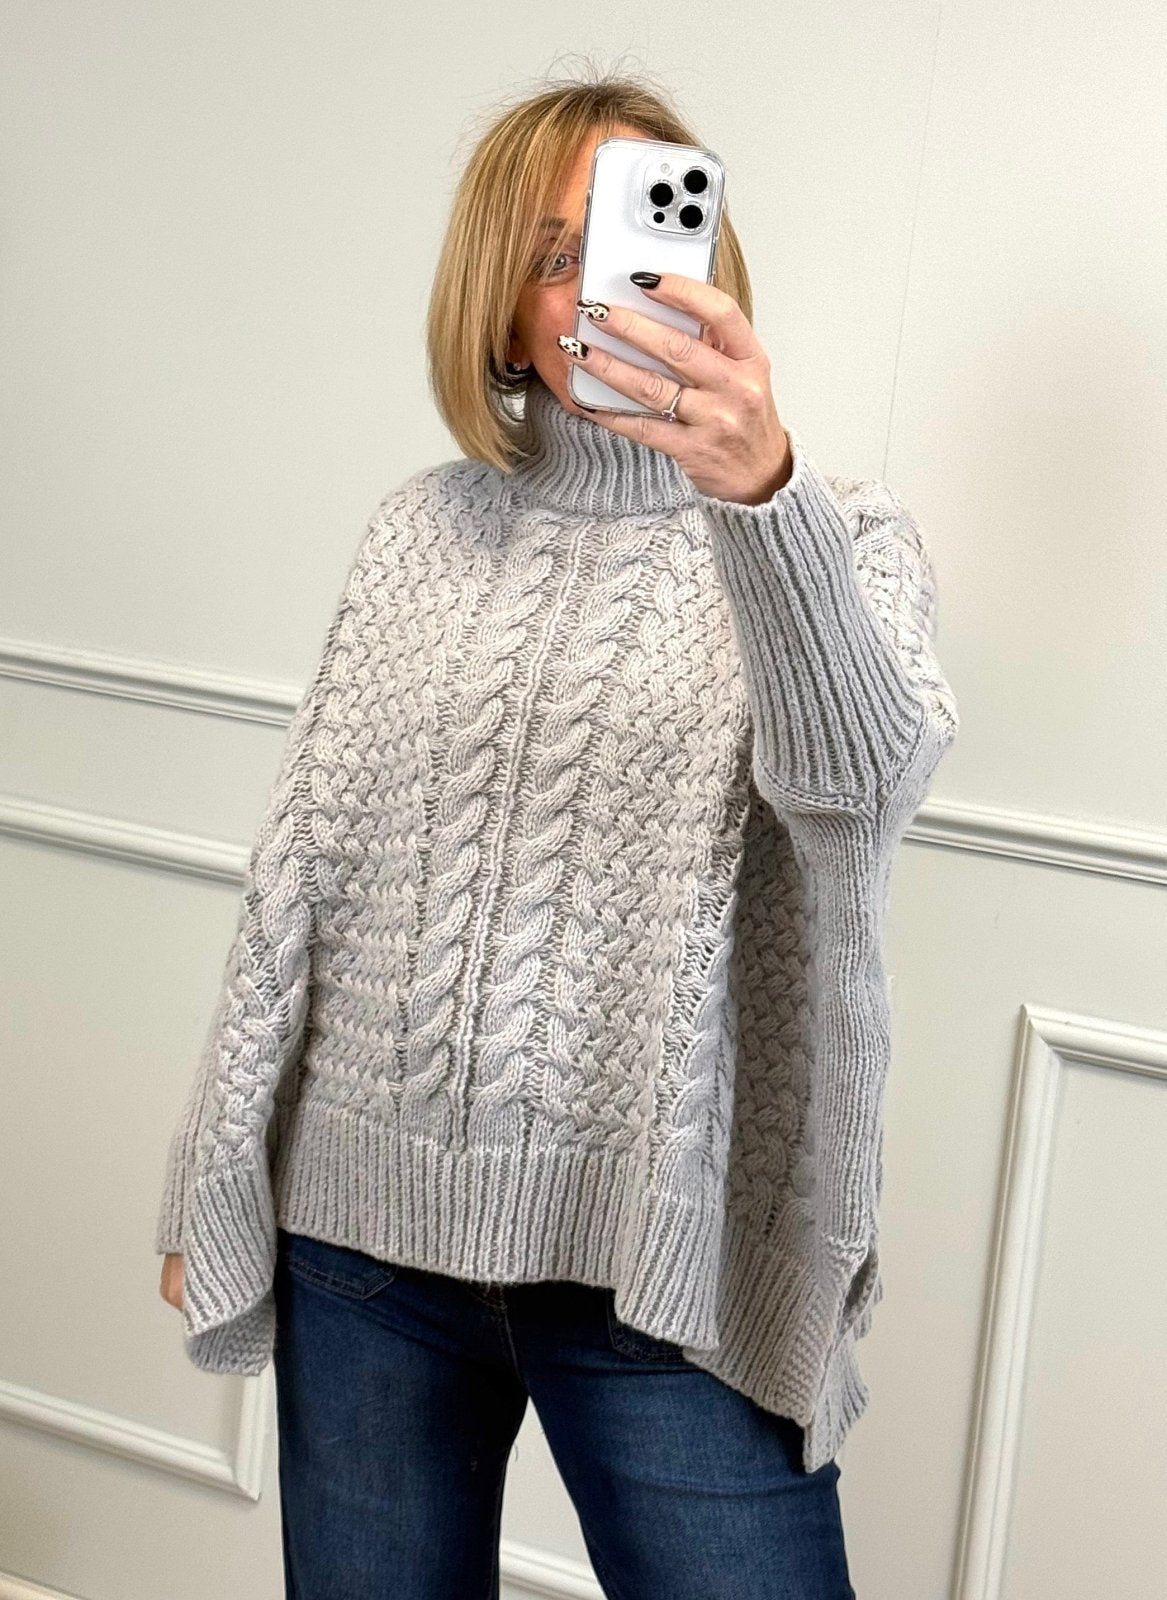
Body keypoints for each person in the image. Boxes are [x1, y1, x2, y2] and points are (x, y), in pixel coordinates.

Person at [156, 71, 958, 1600]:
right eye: (551, 256)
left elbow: (859, 792)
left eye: (638, 240)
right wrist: (212, 1165)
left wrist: (762, 498)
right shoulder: (420, 529)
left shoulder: (840, 533)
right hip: (366, 1244)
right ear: (502, 315)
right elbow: (295, 877)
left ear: (708, 263)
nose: (599, 288)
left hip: (663, 1263)